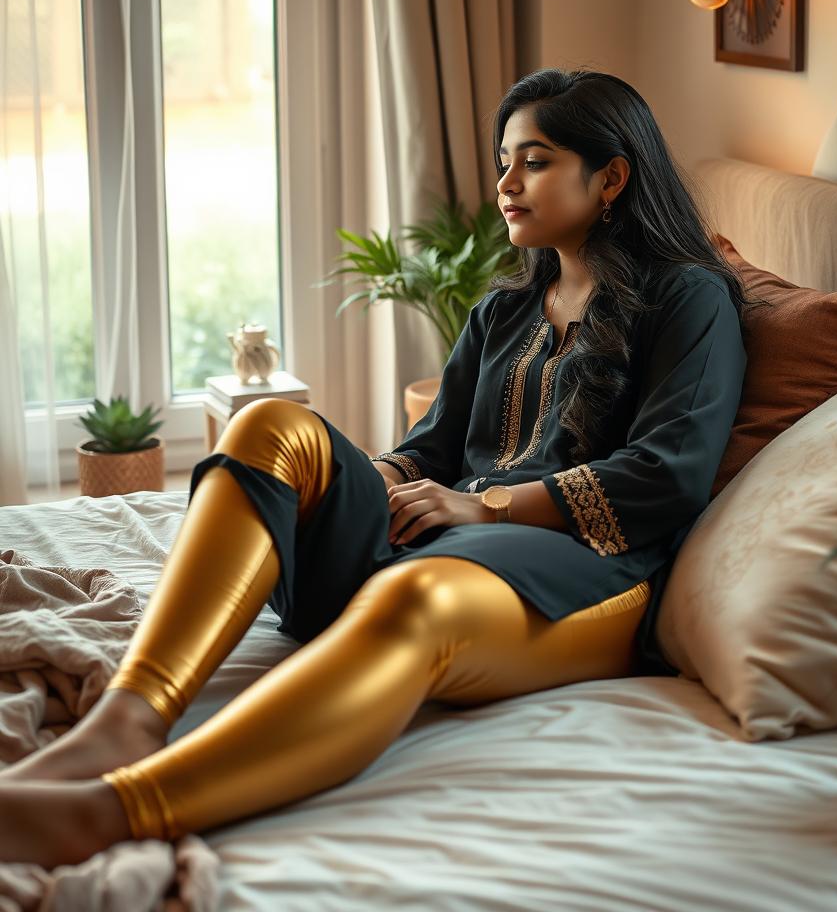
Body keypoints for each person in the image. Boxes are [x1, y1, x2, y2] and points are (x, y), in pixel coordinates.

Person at [0, 68, 755, 869]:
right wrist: (355, 485)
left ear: (610, 176)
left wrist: (487, 509)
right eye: (504, 159)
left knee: (414, 592)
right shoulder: (503, 310)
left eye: (533, 161)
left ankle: (113, 813)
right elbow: (430, 448)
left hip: (592, 572)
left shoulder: (690, 298)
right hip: (445, 538)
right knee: (269, 426)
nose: (504, 184)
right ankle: (129, 719)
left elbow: (669, 473)